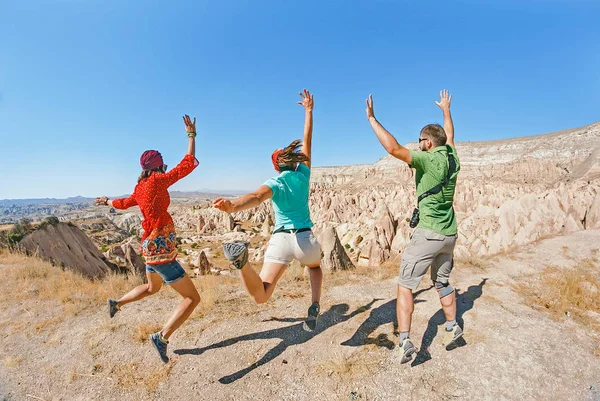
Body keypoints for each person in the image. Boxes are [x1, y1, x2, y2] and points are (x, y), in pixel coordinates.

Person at [213, 89, 323, 332]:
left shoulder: (276, 182)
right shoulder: (303, 174)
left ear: (276, 167)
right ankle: (314, 304)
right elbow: (308, 139)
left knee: (262, 294)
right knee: (314, 267)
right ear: (294, 161)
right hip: (305, 238)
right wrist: (308, 111)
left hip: (281, 239)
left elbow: (255, 197)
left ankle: (243, 264)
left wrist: (231, 207)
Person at [94, 115, 200, 363]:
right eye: (163, 166)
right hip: (161, 249)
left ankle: (117, 303)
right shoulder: (158, 180)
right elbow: (186, 165)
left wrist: (106, 200)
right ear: (158, 167)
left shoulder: (140, 187)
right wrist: (191, 135)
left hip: (148, 248)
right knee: (193, 298)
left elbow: (123, 203)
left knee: (153, 288)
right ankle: (161, 337)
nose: (165, 169)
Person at [365, 90, 461, 363]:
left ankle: (405, 341)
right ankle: (453, 327)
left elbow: (393, 148)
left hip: (429, 233)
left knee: (406, 285)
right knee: (442, 281)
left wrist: (372, 119)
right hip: (449, 233)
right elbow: (450, 135)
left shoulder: (428, 159)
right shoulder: (451, 156)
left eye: (419, 141)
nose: (417, 144)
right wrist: (446, 111)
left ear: (428, 143)